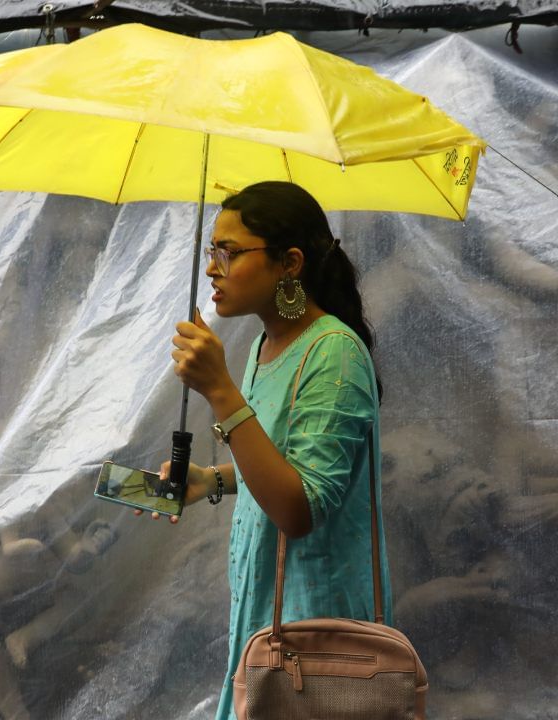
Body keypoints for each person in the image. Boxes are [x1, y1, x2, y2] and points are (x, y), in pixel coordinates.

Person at [136, 181, 391, 720]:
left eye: (229, 252)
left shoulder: (335, 354)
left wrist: (221, 392)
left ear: (288, 263)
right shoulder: (261, 346)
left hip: (317, 630)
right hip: (264, 612)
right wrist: (212, 479)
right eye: (212, 251)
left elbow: (301, 508)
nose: (212, 268)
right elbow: (276, 460)